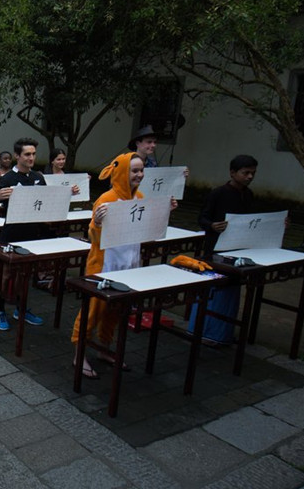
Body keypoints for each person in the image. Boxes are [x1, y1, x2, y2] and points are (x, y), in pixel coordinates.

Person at [70, 152, 177, 378]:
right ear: (121, 173)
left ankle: (105, 349)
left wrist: (163, 212)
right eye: (134, 170)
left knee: (115, 312)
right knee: (93, 311)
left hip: (128, 266)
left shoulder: (139, 198)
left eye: (141, 170)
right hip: (104, 266)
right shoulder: (106, 199)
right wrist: (97, 222)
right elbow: (93, 235)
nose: (139, 175)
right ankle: (79, 355)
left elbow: (148, 232)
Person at [0, 138, 78, 328]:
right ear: (17, 156)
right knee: (5, 275)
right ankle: (0, 310)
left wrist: (68, 194)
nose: (31, 158)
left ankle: (21, 308)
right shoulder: (7, 179)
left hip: (32, 235)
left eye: (34, 154)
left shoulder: (38, 177)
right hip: (11, 234)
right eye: (27, 154)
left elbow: (46, 205)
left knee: (24, 276)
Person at [189, 154, 259, 345]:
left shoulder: (249, 194)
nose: (249, 177)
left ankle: (223, 332)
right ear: (233, 173)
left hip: (237, 248)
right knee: (213, 288)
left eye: (252, 173)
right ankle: (204, 330)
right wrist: (212, 226)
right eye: (246, 173)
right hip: (215, 250)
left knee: (231, 288)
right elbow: (202, 218)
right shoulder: (218, 193)